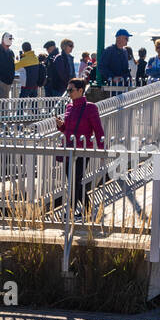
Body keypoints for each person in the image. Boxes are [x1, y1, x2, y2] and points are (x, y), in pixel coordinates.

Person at [55, 78, 105, 220]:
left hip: (83, 150)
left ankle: (71, 211)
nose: (68, 93)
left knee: (75, 181)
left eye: (71, 90)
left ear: (80, 91)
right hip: (68, 148)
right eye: (68, 90)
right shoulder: (68, 107)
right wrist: (60, 125)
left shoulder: (90, 107)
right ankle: (88, 210)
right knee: (72, 181)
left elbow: (99, 131)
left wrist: (101, 150)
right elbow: (66, 129)